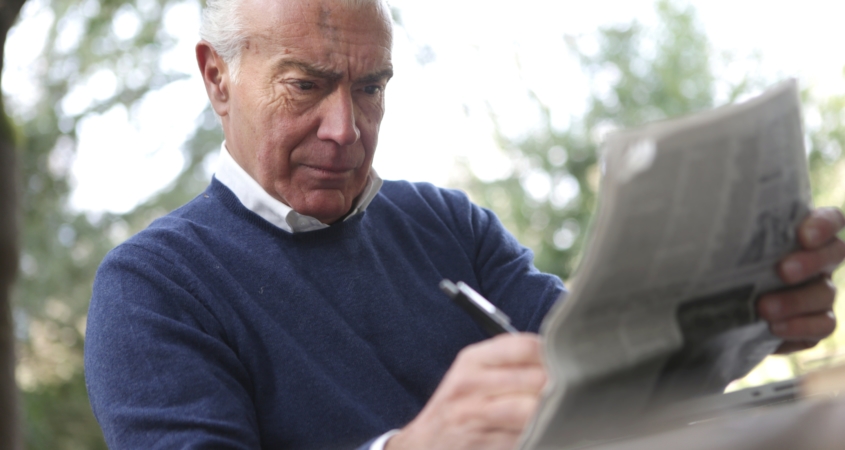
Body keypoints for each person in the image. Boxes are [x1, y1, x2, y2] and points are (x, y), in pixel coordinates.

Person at [83, 0, 845, 449]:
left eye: (371, 88)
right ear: (218, 77)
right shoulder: (151, 288)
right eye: (306, 86)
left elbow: (598, 361)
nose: (345, 128)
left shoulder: (443, 220)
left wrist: (746, 317)